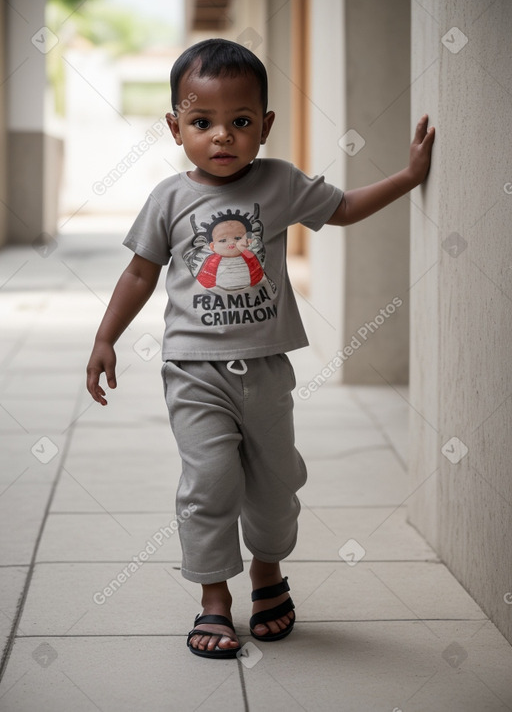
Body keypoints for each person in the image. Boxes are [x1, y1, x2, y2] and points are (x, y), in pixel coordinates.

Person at [86, 38, 435, 660]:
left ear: (265, 125)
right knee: (210, 481)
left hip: (267, 370)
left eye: (240, 122)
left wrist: (409, 177)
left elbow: (345, 208)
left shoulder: (279, 183)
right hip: (194, 371)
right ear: (175, 128)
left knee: (276, 484)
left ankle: (267, 572)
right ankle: (214, 596)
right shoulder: (169, 198)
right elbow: (140, 273)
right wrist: (105, 336)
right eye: (202, 122)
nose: (222, 137)